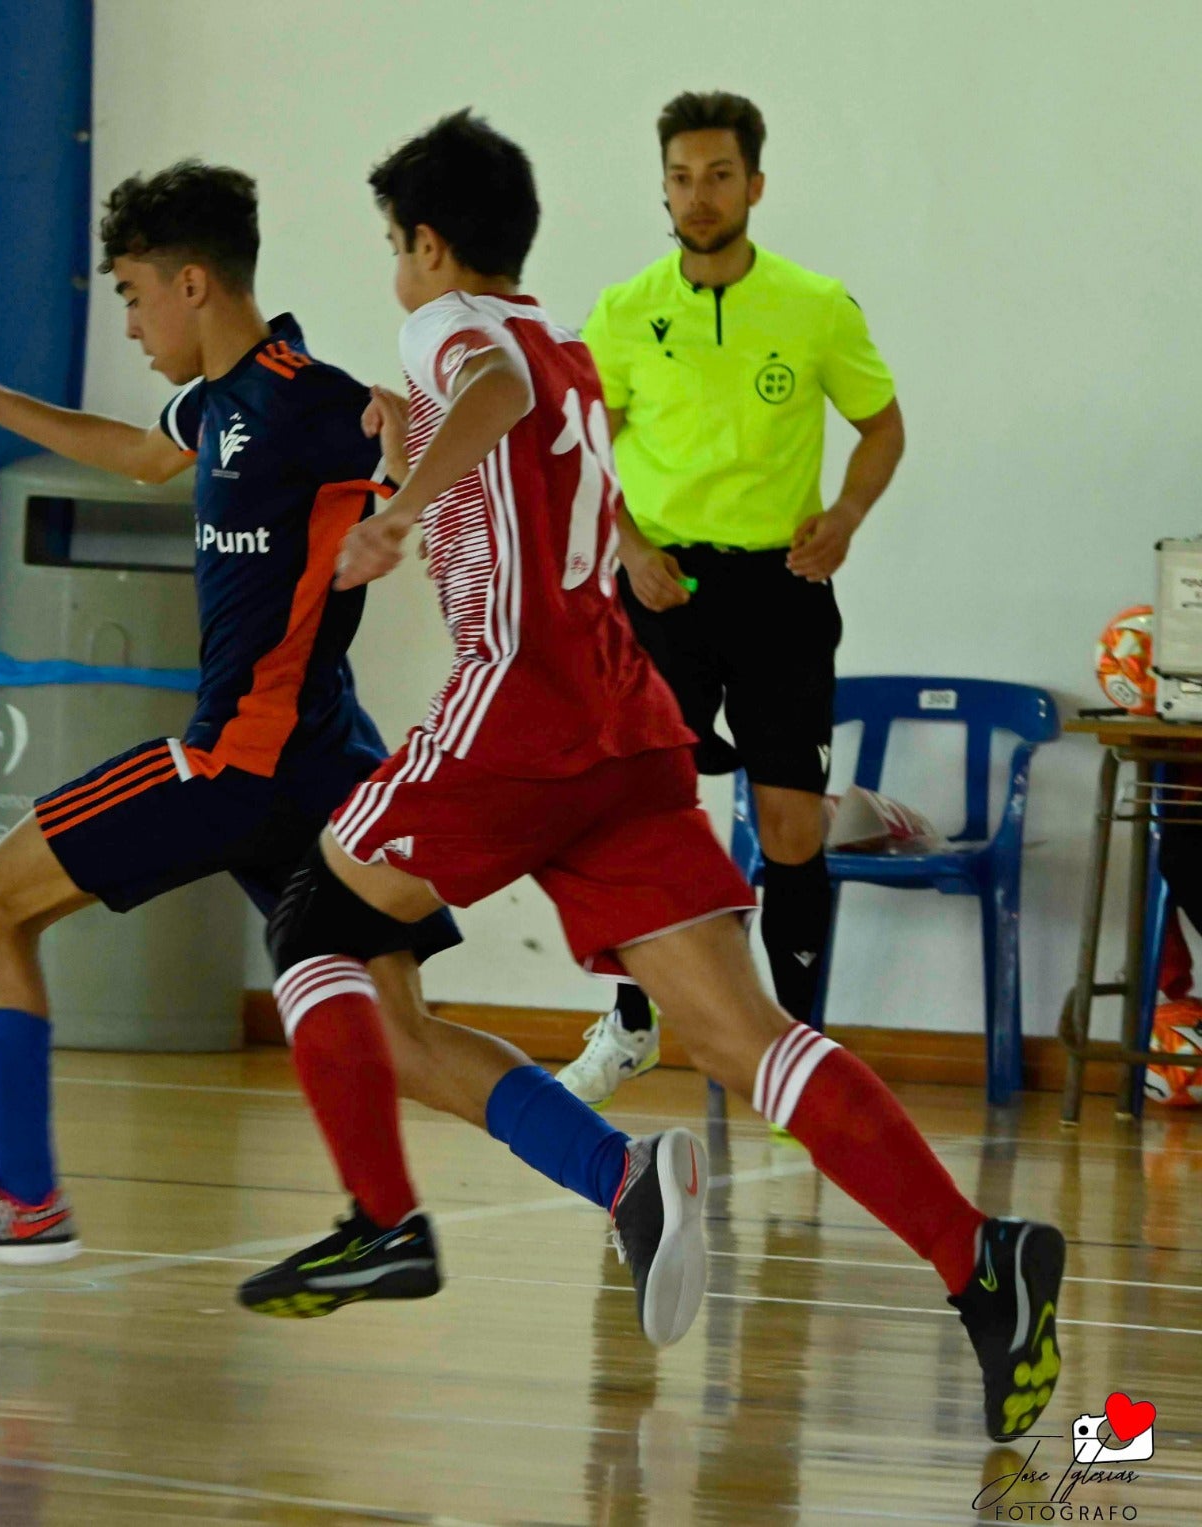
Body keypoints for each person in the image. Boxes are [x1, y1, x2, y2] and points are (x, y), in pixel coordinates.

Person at [242, 111, 1064, 1443]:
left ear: (431, 246)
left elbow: (484, 400)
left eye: (396, 248)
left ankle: (389, 1221)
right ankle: (981, 1260)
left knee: (316, 932)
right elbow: (519, 447)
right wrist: (414, 463)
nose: (395, 273)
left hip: (514, 712)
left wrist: (396, 511)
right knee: (748, 1038)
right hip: (625, 720)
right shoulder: (565, 343)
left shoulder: (449, 327)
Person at [0, 163, 680, 1330]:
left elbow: (409, 436)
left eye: (137, 298)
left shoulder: (306, 395)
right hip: (323, 769)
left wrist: (403, 446)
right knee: (401, 1034)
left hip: (238, 759)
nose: (134, 324)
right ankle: (622, 1176)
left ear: (194, 283)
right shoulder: (222, 403)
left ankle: (25, 1196)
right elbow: (143, 455)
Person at [559, 90, 906, 1108]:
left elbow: (882, 428)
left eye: (717, 176)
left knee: (790, 822)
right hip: (660, 585)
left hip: (778, 588)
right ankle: (631, 1023)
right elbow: (582, 449)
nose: (697, 195)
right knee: (631, 811)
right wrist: (626, 548)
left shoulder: (815, 304)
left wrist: (841, 517)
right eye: (679, 177)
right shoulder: (623, 310)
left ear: (753, 185)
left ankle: (797, 1061)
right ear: (661, 186)